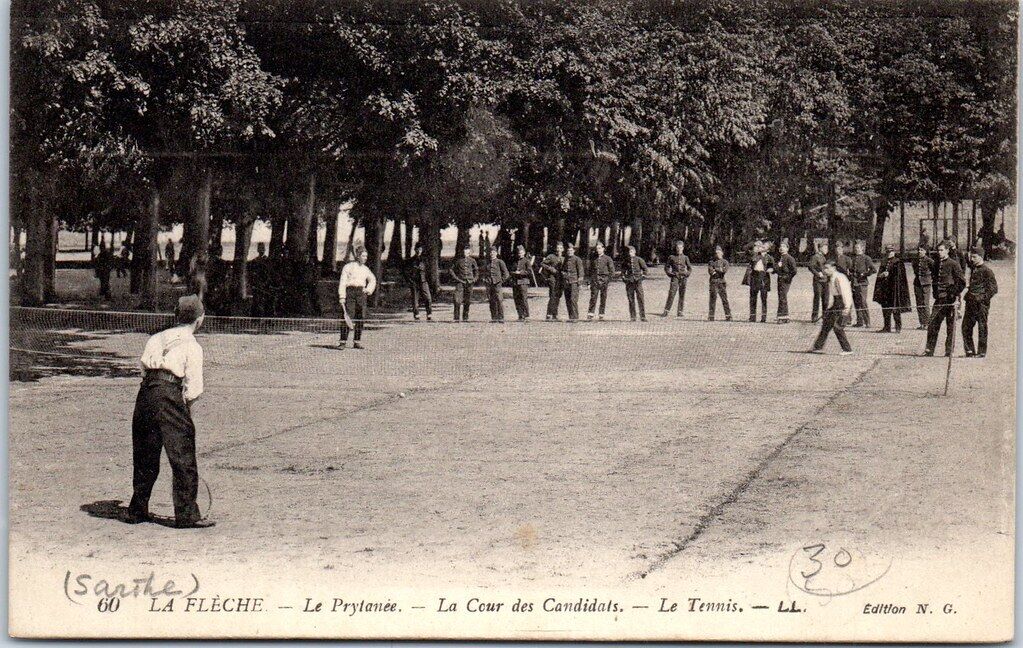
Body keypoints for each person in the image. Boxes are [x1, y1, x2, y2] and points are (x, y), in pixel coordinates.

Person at [128, 294, 213, 528]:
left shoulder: (155, 338)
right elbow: (193, 389)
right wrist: (188, 421)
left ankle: (137, 509)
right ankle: (186, 515)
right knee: (182, 456)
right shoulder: (193, 346)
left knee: (145, 453)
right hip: (169, 394)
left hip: (146, 394)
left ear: (176, 317)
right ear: (199, 320)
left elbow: (144, 369)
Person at [924, 241, 966, 357]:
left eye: (942, 250)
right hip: (939, 299)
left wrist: (954, 293)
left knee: (950, 326)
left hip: (950, 299)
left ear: (947, 250)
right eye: (938, 250)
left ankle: (949, 351)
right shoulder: (937, 264)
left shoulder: (953, 263)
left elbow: (962, 282)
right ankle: (929, 349)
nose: (939, 252)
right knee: (933, 324)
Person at [809, 260, 853, 355]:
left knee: (838, 327)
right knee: (826, 324)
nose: (825, 270)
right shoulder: (831, 277)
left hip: (843, 304)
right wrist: (830, 308)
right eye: (824, 268)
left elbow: (846, 293)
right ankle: (817, 347)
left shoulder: (839, 278)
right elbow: (834, 295)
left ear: (833, 268)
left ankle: (847, 350)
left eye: (827, 268)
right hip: (836, 303)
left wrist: (847, 307)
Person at [962, 246, 998, 358]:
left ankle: (981, 352)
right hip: (970, 303)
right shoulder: (973, 268)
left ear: (981, 257)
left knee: (982, 327)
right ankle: (969, 351)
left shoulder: (987, 271)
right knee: (966, 327)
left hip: (981, 305)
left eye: (974, 257)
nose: (972, 259)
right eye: (971, 256)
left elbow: (994, 289)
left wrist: (982, 298)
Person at [338, 247, 377, 349]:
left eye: (366, 256)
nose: (365, 258)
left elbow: (372, 279)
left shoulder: (365, 269)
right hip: (350, 292)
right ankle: (343, 342)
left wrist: (368, 290)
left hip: (361, 294)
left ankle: (357, 341)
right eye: (363, 256)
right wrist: (342, 296)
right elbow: (342, 282)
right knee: (347, 316)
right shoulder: (348, 267)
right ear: (358, 256)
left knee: (361, 317)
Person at [872, 245, 911, 333]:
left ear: (893, 252)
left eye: (890, 251)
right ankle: (887, 327)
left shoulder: (898, 262)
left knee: (895, 308)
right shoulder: (884, 261)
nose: (889, 253)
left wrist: (889, 274)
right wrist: (881, 275)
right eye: (887, 252)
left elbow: (900, 277)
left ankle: (898, 327)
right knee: (885, 308)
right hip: (885, 289)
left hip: (894, 289)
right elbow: (879, 274)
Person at [743, 240, 774, 323]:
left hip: (764, 278)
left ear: (768, 249)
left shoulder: (769, 257)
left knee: (764, 298)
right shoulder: (755, 254)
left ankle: (763, 317)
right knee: (753, 297)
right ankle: (752, 317)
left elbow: (773, 267)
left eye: (764, 246)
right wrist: (754, 243)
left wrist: (772, 269)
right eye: (762, 245)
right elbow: (745, 249)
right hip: (754, 276)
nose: (762, 247)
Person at [661, 240, 692, 318]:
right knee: (671, 293)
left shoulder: (685, 258)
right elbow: (666, 267)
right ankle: (666, 311)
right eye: (677, 248)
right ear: (676, 248)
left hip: (683, 278)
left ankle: (680, 311)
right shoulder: (671, 257)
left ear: (683, 248)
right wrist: (670, 274)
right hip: (675, 277)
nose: (679, 249)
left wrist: (687, 274)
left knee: (682, 294)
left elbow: (690, 268)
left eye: (680, 248)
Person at [849, 241, 876, 327]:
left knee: (863, 302)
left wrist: (864, 274)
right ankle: (859, 322)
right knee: (856, 302)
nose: (856, 250)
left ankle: (867, 322)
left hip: (862, 283)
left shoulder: (866, 258)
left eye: (858, 248)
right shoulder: (853, 258)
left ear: (862, 249)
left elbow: (873, 270)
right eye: (855, 248)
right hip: (854, 283)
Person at [587, 241, 616, 320]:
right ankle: (590, 313)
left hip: (604, 281)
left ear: (603, 249)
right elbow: (590, 271)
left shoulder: (607, 258)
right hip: (595, 280)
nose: (598, 250)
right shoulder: (594, 259)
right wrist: (589, 282)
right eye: (597, 249)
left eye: (600, 248)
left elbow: (612, 271)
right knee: (593, 297)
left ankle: (601, 314)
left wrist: (608, 280)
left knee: (603, 298)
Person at [450, 244, 478, 322]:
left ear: (469, 252)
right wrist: (456, 278)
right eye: (465, 251)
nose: (466, 253)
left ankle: (465, 317)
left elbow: (476, 271)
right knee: (457, 300)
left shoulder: (472, 261)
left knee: (467, 301)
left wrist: (474, 279)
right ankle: (456, 318)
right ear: (463, 252)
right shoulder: (458, 260)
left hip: (469, 283)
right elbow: (451, 270)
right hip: (460, 282)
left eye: (468, 251)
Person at [405, 242, 433, 321]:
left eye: (420, 249)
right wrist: (410, 281)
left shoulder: (425, 260)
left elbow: (429, 271)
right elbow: (406, 272)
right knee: (415, 300)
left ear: (422, 250)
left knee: (428, 298)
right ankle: (416, 314)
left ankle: (429, 313)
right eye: (417, 249)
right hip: (414, 282)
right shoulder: (410, 261)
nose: (419, 251)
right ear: (415, 249)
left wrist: (428, 280)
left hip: (424, 281)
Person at [620, 245, 648, 321]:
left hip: (638, 282)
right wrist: (624, 279)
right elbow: (622, 271)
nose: (630, 253)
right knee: (631, 299)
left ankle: (643, 316)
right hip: (629, 282)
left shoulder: (639, 260)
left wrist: (641, 278)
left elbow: (645, 270)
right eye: (629, 252)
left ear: (634, 252)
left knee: (640, 299)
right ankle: (633, 316)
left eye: (631, 251)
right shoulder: (626, 261)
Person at [484, 246, 510, 322]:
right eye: (491, 252)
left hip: (497, 284)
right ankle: (494, 317)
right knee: (491, 300)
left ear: (496, 253)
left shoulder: (500, 262)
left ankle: (501, 317)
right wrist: (485, 280)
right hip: (489, 284)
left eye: (494, 252)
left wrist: (501, 281)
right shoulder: (487, 263)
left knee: (499, 300)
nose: (492, 254)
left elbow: (506, 274)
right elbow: (485, 273)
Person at [540, 242, 565, 320]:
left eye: (560, 248)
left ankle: (555, 314)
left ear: (563, 249)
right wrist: (551, 269)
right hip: (553, 278)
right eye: (558, 248)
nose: (559, 250)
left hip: (560, 279)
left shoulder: (564, 258)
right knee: (553, 295)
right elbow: (542, 263)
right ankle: (549, 313)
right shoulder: (551, 256)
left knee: (558, 296)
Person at [561, 242, 585, 321]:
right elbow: (563, 269)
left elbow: (581, 272)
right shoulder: (566, 259)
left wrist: (580, 283)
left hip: (574, 282)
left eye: (571, 250)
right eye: (568, 251)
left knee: (573, 299)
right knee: (567, 299)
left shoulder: (577, 259)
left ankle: (575, 317)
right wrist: (564, 274)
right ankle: (570, 317)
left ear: (574, 251)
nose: (569, 252)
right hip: (566, 282)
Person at [775, 241, 798, 324]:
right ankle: (785, 316)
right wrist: (777, 267)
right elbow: (777, 269)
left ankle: (782, 317)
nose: (781, 248)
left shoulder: (789, 258)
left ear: (787, 248)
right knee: (781, 297)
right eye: (780, 246)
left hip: (785, 280)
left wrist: (787, 278)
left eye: (784, 246)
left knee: (782, 297)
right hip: (780, 279)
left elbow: (794, 271)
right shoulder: (780, 257)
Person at [707, 245, 731, 321]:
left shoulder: (725, 262)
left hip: (721, 282)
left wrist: (716, 269)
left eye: (719, 253)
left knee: (724, 300)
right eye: (716, 253)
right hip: (713, 282)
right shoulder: (711, 262)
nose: (718, 254)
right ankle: (711, 316)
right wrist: (719, 269)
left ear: (722, 253)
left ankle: (728, 316)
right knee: (712, 300)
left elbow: (724, 271)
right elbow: (711, 272)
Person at [911, 246, 933, 330]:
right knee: (919, 304)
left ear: (926, 251)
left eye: (922, 250)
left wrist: (929, 279)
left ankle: (927, 323)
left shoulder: (929, 260)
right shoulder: (915, 261)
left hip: (926, 284)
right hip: (917, 284)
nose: (920, 252)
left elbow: (934, 270)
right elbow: (915, 271)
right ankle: (922, 323)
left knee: (925, 303)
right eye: (919, 250)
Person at [809, 241, 829, 322]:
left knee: (826, 299)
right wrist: (817, 274)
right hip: (818, 281)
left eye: (826, 248)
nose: (826, 249)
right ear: (820, 248)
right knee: (817, 298)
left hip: (826, 280)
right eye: (824, 248)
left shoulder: (824, 257)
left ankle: (825, 316)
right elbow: (810, 267)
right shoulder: (815, 257)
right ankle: (814, 316)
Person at [511, 245, 532, 321]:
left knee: (524, 298)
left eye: (521, 252)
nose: (520, 254)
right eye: (519, 253)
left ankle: (526, 315)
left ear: (524, 252)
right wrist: (513, 273)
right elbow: (511, 270)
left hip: (523, 282)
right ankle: (520, 315)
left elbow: (529, 272)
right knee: (517, 299)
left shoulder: (526, 261)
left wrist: (520, 272)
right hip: (515, 282)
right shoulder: (514, 261)